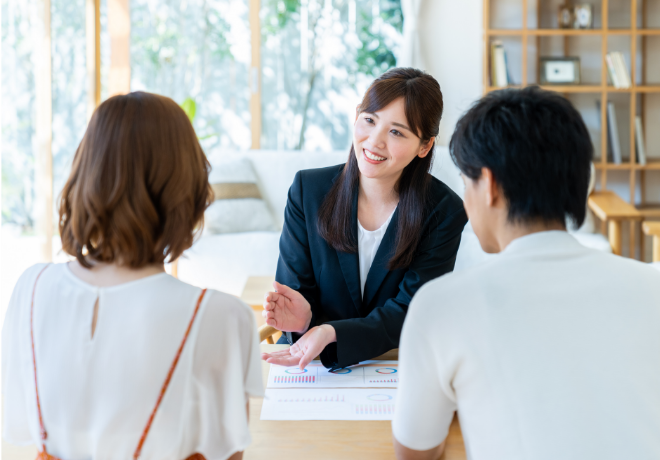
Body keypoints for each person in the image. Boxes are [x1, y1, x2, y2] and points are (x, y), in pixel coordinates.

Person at [392, 87, 660, 460]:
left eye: (465, 182)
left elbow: (415, 452)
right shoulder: (652, 287)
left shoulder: (442, 305)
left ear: (489, 185)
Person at [0, 92, 263, 460]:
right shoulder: (220, 316)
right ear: (187, 188)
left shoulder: (31, 287)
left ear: (85, 174)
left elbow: (20, 428)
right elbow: (227, 454)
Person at [261, 68, 468, 370]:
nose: (375, 141)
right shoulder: (308, 191)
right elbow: (296, 293)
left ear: (425, 146)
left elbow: (411, 311)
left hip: (394, 364)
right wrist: (303, 319)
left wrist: (331, 331)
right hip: (310, 361)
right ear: (357, 115)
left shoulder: (444, 211)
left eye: (396, 132)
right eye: (369, 120)